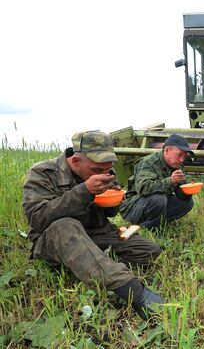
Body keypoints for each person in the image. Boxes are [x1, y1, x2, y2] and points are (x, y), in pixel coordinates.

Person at [22, 131, 164, 320]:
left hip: (96, 235)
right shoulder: (43, 173)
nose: (105, 174)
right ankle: (132, 291)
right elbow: (37, 218)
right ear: (75, 161)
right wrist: (84, 191)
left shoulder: (105, 171)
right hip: (57, 239)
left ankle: (88, 266)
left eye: (109, 168)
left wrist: (114, 200)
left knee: (149, 251)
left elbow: (110, 213)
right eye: (97, 170)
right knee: (66, 225)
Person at [120, 134, 195, 229]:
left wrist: (186, 188)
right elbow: (143, 188)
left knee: (188, 202)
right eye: (179, 155)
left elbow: (182, 196)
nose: (181, 160)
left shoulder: (177, 166)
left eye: (184, 157)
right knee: (158, 199)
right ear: (167, 150)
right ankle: (150, 228)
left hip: (157, 204)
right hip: (134, 207)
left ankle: (160, 222)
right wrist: (170, 181)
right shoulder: (148, 162)